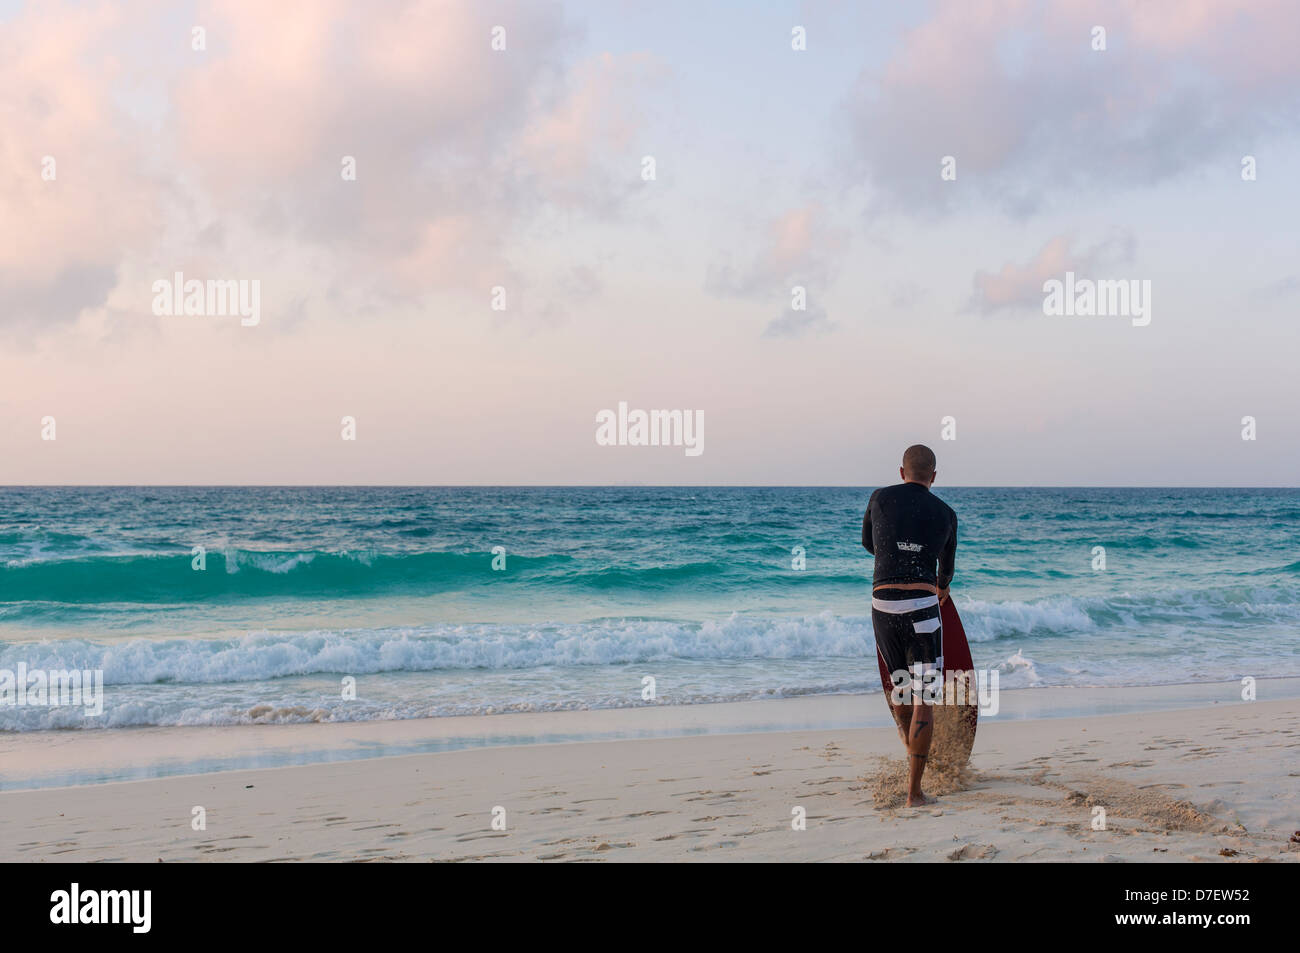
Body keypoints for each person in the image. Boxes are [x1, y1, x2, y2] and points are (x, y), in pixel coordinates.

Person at [861, 444, 957, 806]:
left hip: (881, 606)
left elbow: (869, 543)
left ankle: (909, 750)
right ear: (933, 477)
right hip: (922, 608)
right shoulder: (946, 513)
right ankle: (914, 793)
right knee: (924, 698)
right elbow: (945, 570)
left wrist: (895, 553)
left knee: (900, 688)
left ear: (902, 472)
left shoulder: (879, 498)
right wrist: (943, 587)